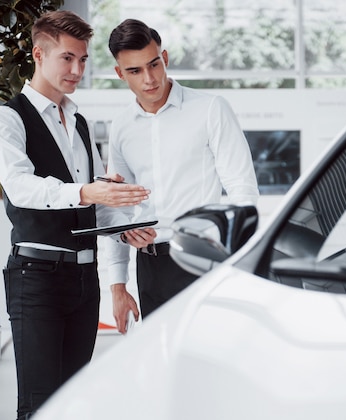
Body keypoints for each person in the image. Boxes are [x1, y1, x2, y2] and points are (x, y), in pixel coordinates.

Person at [0, 10, 146, 420]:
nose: (77, 69)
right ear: (39, 54)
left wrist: (124, 229)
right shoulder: (7, 118)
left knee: (74, 403)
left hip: (83, 281)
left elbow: (92, 202)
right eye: (67, 58)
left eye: (83, 60)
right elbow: (21, 187)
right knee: (39, 406)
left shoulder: (79, 122)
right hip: (36, 278)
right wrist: (86, 190)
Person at [104, 18, 259, 330]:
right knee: (163, 367)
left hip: (202, 259)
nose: (149, 78)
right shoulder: (121, 127)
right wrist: (118, 286)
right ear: (120, 74)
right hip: (149, 266)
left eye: (154, 64)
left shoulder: (211, 108)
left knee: (208, 361)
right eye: (135, 71)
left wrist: (241, 265)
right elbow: (116, 208)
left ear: (165, 58)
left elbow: (242, 191)